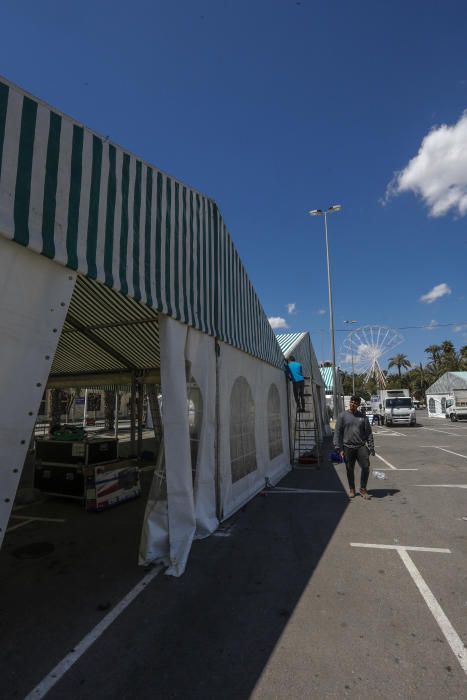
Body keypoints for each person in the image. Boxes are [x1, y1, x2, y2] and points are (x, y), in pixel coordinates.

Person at [334, 395, 375, 499]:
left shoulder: (363, 417)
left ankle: (363, 489)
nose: (353, 404)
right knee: (349, 469)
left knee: (366, 467)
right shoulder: (342, 416)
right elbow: (337, 432)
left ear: (358, 405)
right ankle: (352, 489)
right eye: (352, 402)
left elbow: (369, 433)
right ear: (350, 403)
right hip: (347, 447)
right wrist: (338, 448)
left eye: (355, 403)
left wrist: (371, 446)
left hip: (361, 446)